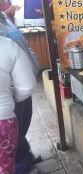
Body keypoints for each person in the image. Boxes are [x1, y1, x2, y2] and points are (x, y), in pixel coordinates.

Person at [0, 12, 40, 173]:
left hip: (16, 89)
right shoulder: (5, 45)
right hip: (8, 103)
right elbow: (27, 86)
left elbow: (21, 42)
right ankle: (22, 167)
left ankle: (25, 158)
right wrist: (13, 98)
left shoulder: (5, 18)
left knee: (22, 127)